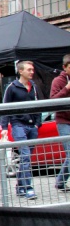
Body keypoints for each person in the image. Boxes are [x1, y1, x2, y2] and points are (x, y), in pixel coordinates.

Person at [1, 60, 41, 199]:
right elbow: (5, 107)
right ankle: (28, 187)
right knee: (25, 156)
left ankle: (20, 186)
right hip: (18, 124)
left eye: (32, 69)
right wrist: (4, 127)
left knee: (26, 158)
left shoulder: (34, 87)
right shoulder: (12, 87)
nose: (32, 72)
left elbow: (39, 105)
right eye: (29, 69)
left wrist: (37, 123)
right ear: (21, 71)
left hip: (32, 125)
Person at [50, 54, 70, 191]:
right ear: (64, 67)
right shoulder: (58, 81)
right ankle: (60, 181)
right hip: (63, 121)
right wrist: (67, 88)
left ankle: (60, 182)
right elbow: (53, 101)